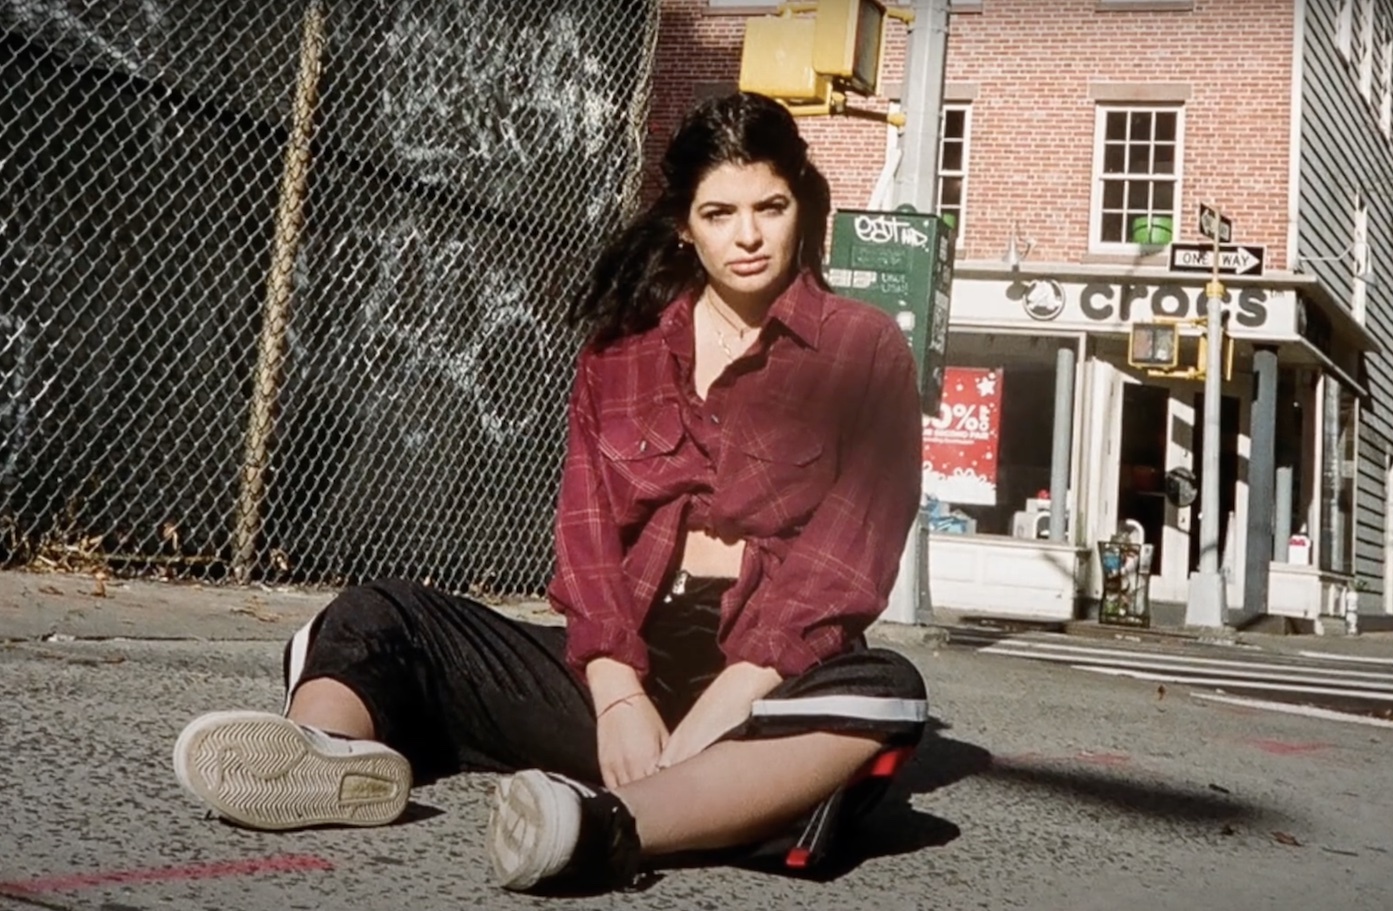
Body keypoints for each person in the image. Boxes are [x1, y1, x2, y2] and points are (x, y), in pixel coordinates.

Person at [172, 91, 928, 894]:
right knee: (376, 615)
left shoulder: (863, 347)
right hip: (628, 663)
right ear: (684, 224)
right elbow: (586, 528)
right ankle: (327, 753)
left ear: (800, 205)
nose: (748, 235)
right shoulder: (622, 351)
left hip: (769, 680)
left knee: (885, 694)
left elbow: (851, 552)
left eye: (770, 208)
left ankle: (606, 824)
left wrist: (734, 694)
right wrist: (616, 693)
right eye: (719, 213)